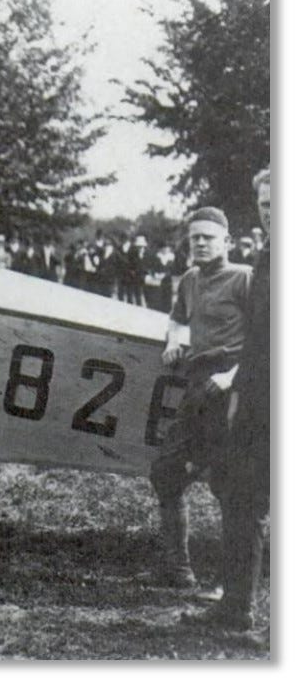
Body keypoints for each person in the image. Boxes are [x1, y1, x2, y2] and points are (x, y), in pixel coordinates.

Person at [148, 207, 253, 588]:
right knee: (166, 472)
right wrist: (175, 340)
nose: (201, 243)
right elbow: (178, 318)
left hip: (232, 388)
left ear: (227, 241)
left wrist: (231, 377)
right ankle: (178, 569)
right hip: (197, 386)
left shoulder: (246, 279)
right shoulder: (190, 279)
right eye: (195, 238)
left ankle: (233, 585)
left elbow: (269, 340)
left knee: (231, 486)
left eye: (209, 237)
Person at [185, 168, 271, 631]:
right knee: (241, 497)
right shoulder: (269, 255)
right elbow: (259, 337)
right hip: (259, 397)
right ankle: (237, 607)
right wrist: (241, 387)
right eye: (264, 205)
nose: (271, 214)